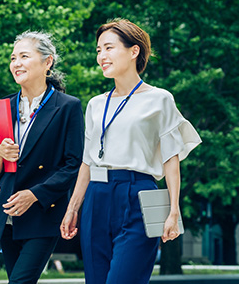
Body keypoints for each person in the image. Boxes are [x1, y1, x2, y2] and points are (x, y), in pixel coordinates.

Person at [60, 19, 202, 284]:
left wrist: (173, 210)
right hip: (97, 197)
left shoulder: (160, 98)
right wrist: (73, 208)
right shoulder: (95, 104)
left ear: (134, 51)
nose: (101, 56)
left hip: (140, 195)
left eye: (109, 48)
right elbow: (87, 162)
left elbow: (171, 159)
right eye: (98, 50)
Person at [0, 31, 84, 283]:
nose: (16, 63)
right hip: (6, 214)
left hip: (42, 213)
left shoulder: (67, 106)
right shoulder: (1, 107)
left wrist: (34, 194)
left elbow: (73, 164)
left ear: (47, 62)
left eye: (24, 56)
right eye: (12, 58)